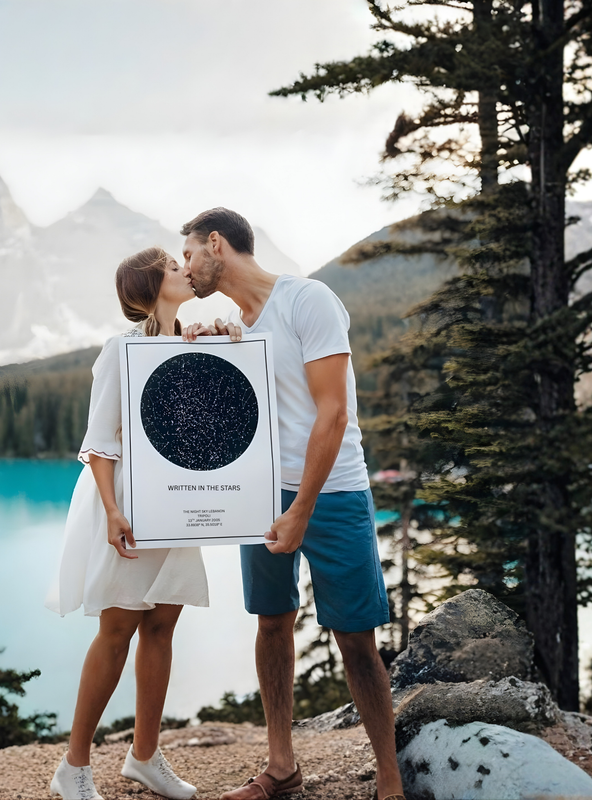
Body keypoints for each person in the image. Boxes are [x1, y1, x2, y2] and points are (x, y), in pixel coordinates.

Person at [181, 209, 405, 800]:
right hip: (259, 496)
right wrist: (200, 352)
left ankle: (389, 777)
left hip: (332, 493)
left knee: (356, 637)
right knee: (272, 624)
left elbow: (332, 414)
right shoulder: (237, 323)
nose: (185, 269)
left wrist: (302, 508)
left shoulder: (309, 300)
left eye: (188, 256)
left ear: (215, 245)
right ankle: (281, 767)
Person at [45, 246, 218, 800]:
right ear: (150, 286)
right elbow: (99, 442)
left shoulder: (194, 343)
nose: (184, 270)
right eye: (172, 267)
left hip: (176, 498)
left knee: (163, 625)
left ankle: (144, 756)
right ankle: (72, 769)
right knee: (117, 628)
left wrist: (226, 349)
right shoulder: (119, 350)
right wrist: (114, 511)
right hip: (127, 503)